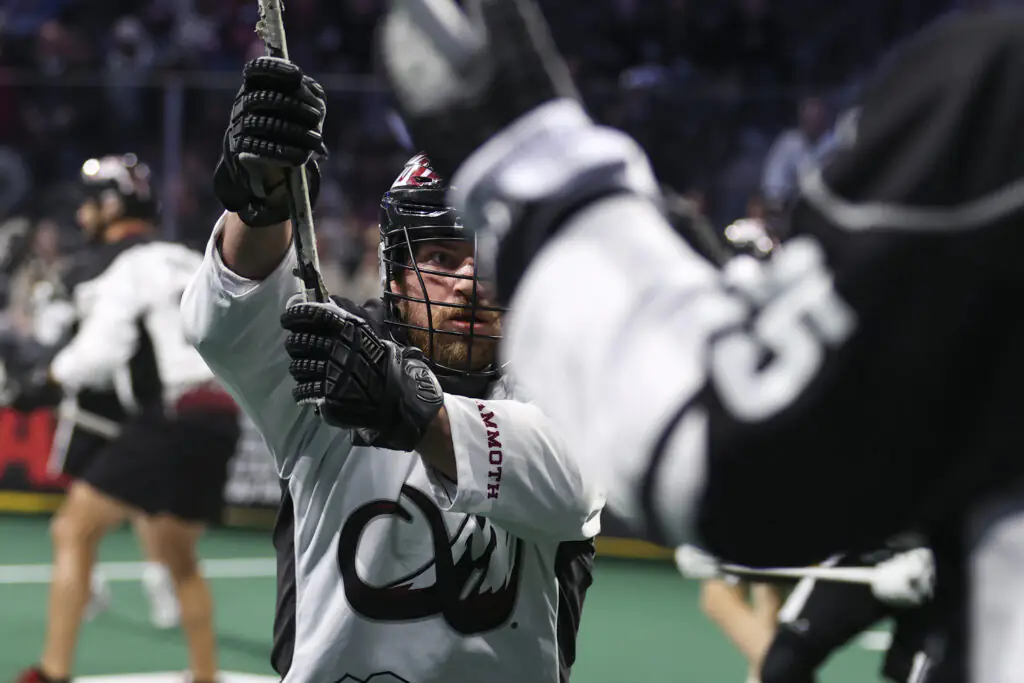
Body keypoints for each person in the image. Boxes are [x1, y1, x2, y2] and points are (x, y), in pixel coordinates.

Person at [376, 3, 1024, 680]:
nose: (466, 282)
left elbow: (737, 457)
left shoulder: (994, 96)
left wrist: (539, 175)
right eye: (442, 259)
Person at [180, 58, 604, 683]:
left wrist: (408, 405)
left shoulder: (564, 379)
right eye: (440, 255)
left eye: (488, 258)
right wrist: (263, 199)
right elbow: (232, 314)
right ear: (396, 275)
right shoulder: (327, 358)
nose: (467, 283)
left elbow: (569, 488)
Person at [9, 154, 240, 683]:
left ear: (112, 206)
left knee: (73, 529)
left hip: (170, 415)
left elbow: (98, 351)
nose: (84, 214)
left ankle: (52, 671)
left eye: (92, 203)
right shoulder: (190, 257)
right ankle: (205, 675)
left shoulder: (123, 264)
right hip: (222, 414)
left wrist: (42, 384)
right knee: (177, 554)